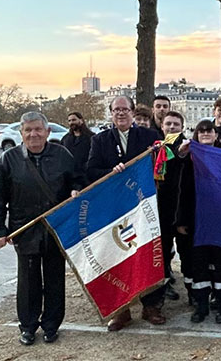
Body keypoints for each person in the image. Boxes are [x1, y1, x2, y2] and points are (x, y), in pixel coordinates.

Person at [0, 111, 82, 345]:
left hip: (55, 229)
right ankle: (28, 326)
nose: (33, 134)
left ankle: (51, 325)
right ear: (21, 133)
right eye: (28, 130)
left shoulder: (62, 155)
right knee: (28, 281)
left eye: (38, 129)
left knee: (54, 278)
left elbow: (78, 180)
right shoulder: (8, 160)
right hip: (24, 230)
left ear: (47, 132)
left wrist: (76, 190)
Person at [86, 95, 164, 331]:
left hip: (144, 208)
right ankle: (122, 310)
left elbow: (161, 166)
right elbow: (91, 170)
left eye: (125, 109)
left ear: (133, 112)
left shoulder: (150, 136)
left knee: (149, 255)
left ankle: (151, 306)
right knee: (119, 257)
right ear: (111, 113)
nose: (120, 113)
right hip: (115, 210)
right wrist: (111, 172)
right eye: (116, 110)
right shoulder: (100, 140)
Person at [176, 120, 221, 324]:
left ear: (216, 134)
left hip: (220, 219)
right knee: (198, 264)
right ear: (196, 135)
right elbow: (182, 191)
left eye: (209, 130)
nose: (206, 133)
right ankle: (201, 306)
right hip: (196, 219)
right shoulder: (189, 157)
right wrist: (181, 220)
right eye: (201, 131)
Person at [156, 112, 188, 302]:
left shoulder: (188, 147)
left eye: (176, 124)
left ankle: (192, 287)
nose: (171, 127)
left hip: (182, 205)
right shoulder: (155, 148)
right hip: (163, 207)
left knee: (185, 249)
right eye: (168, 124)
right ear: (162, 126)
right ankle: (165, 283)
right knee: (163, 248)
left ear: (182, 128)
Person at [61, 111, 94, 183]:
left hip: (87, 177)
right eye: (69, 121)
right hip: (70, 178)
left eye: (74, 120)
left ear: (81, 120)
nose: (71, 122)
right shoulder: (65, 139)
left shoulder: (92, 138)